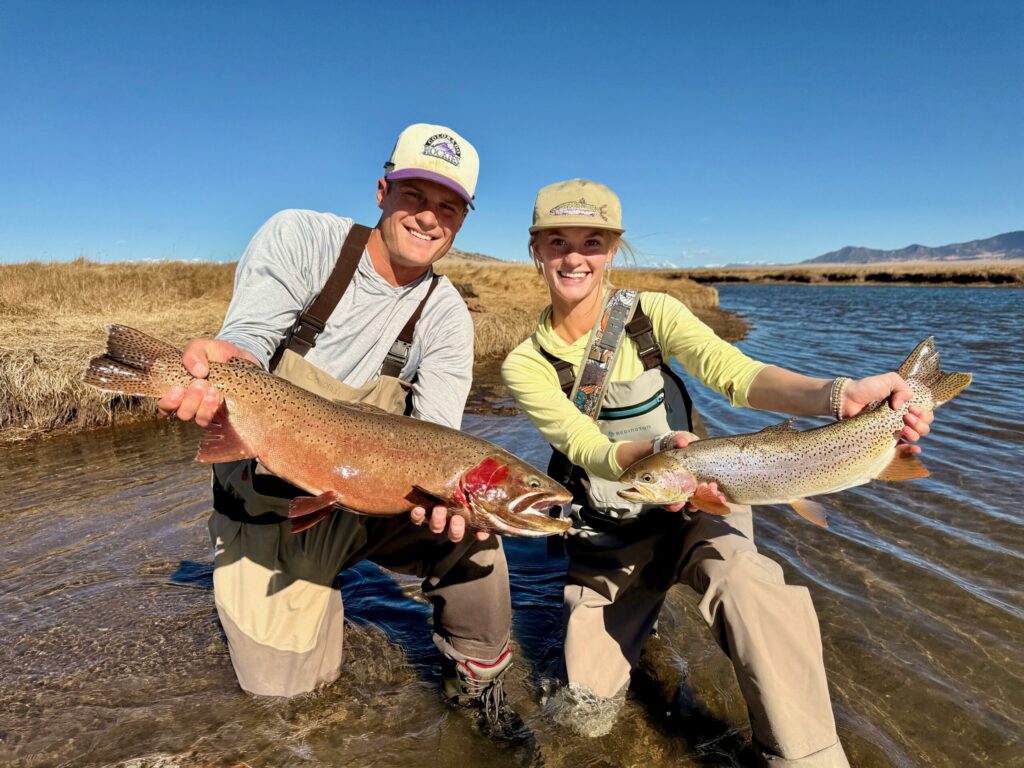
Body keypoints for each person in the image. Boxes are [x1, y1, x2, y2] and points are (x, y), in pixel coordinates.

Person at [500, 178, 935, 766]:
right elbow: (581, 443)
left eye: (592, 242)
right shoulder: (525, 362)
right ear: (536, 250)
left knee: (752, 593)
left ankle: (808, 757)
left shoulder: (651, 314)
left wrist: (839, 396)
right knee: (585, 715)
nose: (574, 257)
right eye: (557, 241)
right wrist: (653, 453)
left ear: (612, 249)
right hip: (608, 538)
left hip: (702, 506)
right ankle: (635, 634)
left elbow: (737, 375)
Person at [157, 123, 518, 732]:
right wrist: (227, 364)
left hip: (371, 506)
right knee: (291, 705)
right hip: (269, 516)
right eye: (415, 196)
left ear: (462, 221)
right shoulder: (301, 238)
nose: (429, 218)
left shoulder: (447, 315)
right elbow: (248, 339)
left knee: (478, 541)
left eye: (449, 207)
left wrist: (448, 502)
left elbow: (436, 439)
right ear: (382, 190)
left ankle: (479, 702)